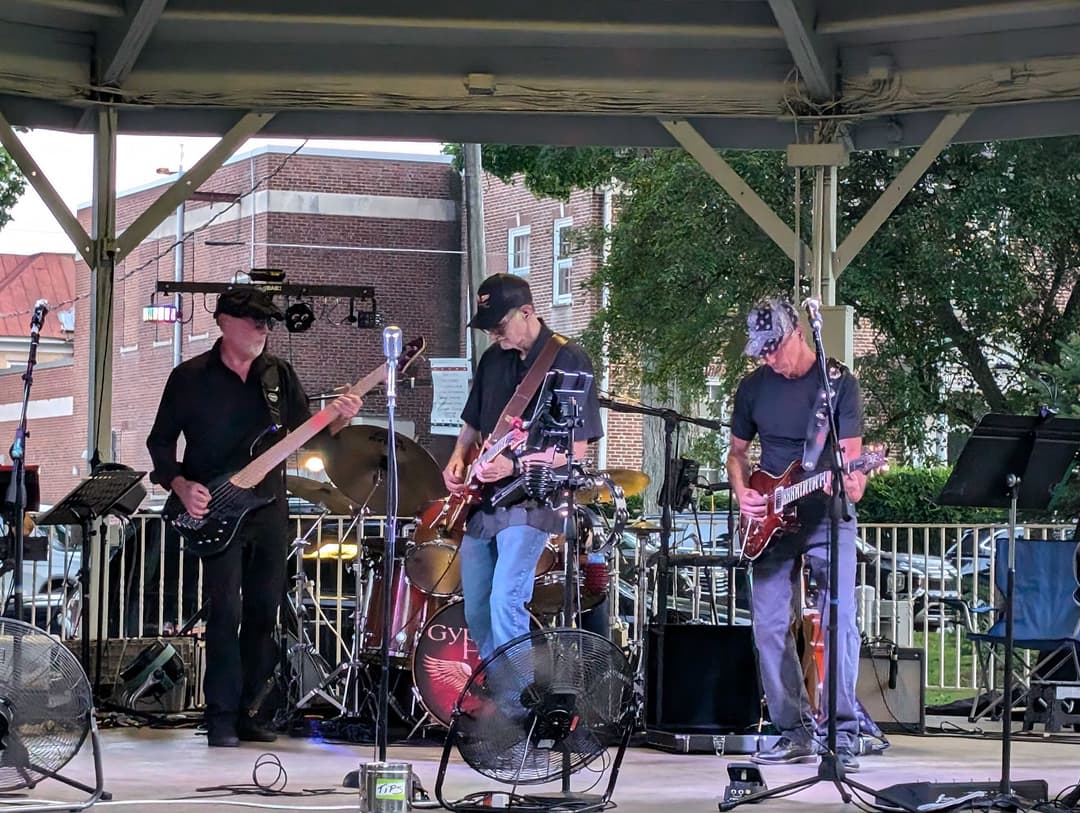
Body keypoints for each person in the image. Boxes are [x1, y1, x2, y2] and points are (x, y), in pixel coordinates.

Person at [146, 288, 362, 747]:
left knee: (265, 610)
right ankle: (220, 716)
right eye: (254, 320)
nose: (264, 328)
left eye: (268, 321)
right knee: (225, 610)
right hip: (214, 507)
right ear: (224, 321)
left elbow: (311, 436)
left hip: (269, 508)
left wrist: (340, 419)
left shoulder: (278, 375)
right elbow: (160, 443)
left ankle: (249, 711)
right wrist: (181, 486)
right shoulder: (189, 377)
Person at [725, 297, 866, 772]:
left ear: (798, 335)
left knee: (837, 619)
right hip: (769, 515)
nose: (767, 358)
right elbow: (737, 454)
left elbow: (853, 463)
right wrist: (744, 492)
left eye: (773, 348)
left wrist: (854, 480)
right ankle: (793, 730)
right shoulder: (752, 388)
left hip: (826, 513)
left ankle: (842, 732)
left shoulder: (838, 385)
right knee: (767, 626)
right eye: (760, 351)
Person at [443, 273, 604, 663]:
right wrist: (458, 457)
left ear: (527, 312)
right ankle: (502, 690)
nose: (494, 336)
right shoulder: (492, 359)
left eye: (499, 326)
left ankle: (517, 708)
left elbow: (575, 450)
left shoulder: (568, 359)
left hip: (533, 500)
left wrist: (513, 463)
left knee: (505, 601)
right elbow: (472, 423)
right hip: (485, 501)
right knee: (477, 608)